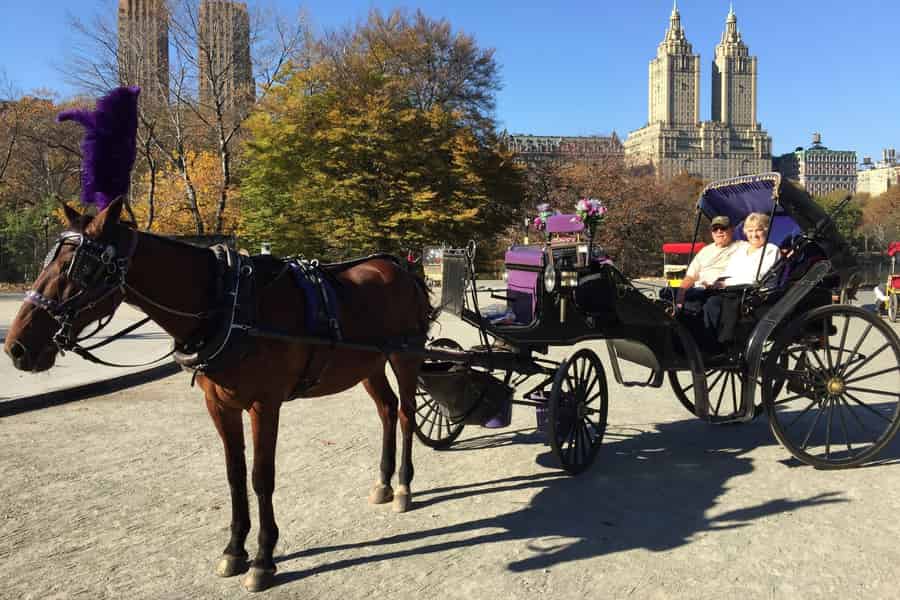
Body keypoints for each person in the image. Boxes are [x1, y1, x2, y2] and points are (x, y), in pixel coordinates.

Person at [702, 212, 780, 345]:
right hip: (733, 290)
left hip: (755, 295)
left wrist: (725, 284)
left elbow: (757, 277)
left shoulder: (771, 250)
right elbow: (729, 271)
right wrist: (714, 282)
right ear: (745, 232)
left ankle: (719, 344)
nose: (754, 235)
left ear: (766, 230)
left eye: (758, 230)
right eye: (750, 230)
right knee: (699, 300)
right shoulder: (741, 250)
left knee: (713, 304)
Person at [666, 215, 740, 311]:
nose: (719, 231)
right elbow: (691, 276)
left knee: (697, 305)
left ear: (732, 230)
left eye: (723, 228)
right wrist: (681, 292)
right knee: (666, 293)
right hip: (699, 289)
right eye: (715, 229)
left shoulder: (741, 247)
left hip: (721, 291)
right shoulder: (705, 251)